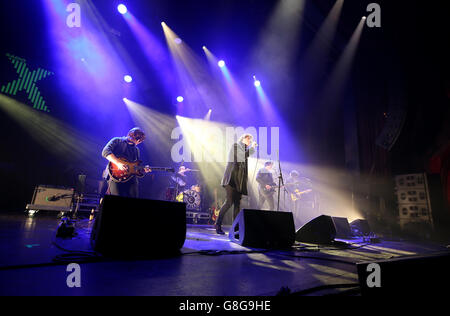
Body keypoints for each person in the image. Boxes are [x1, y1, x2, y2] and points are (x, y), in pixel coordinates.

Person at [215, 133, 257, 234]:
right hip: (231, 179)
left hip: (239, 182)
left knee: (237, 204)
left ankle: (235, 229)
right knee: (229, 202)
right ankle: (218, 224)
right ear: (244, 138)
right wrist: (252, 148)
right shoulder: (236, 146)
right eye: (249, 140)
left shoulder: (244, 149)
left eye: (250, 141)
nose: (250, 142)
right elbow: (241, 157)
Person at [102, 127, 151, 198]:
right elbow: (105, 152)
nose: (135, 139)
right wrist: (118, 163)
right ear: (129, 134)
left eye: (138, 138)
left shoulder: (136, 150)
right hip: (114, 175)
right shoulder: (117, 140)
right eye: (134, 136)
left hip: (130, 179)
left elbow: (134, 168)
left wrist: (143, 170)